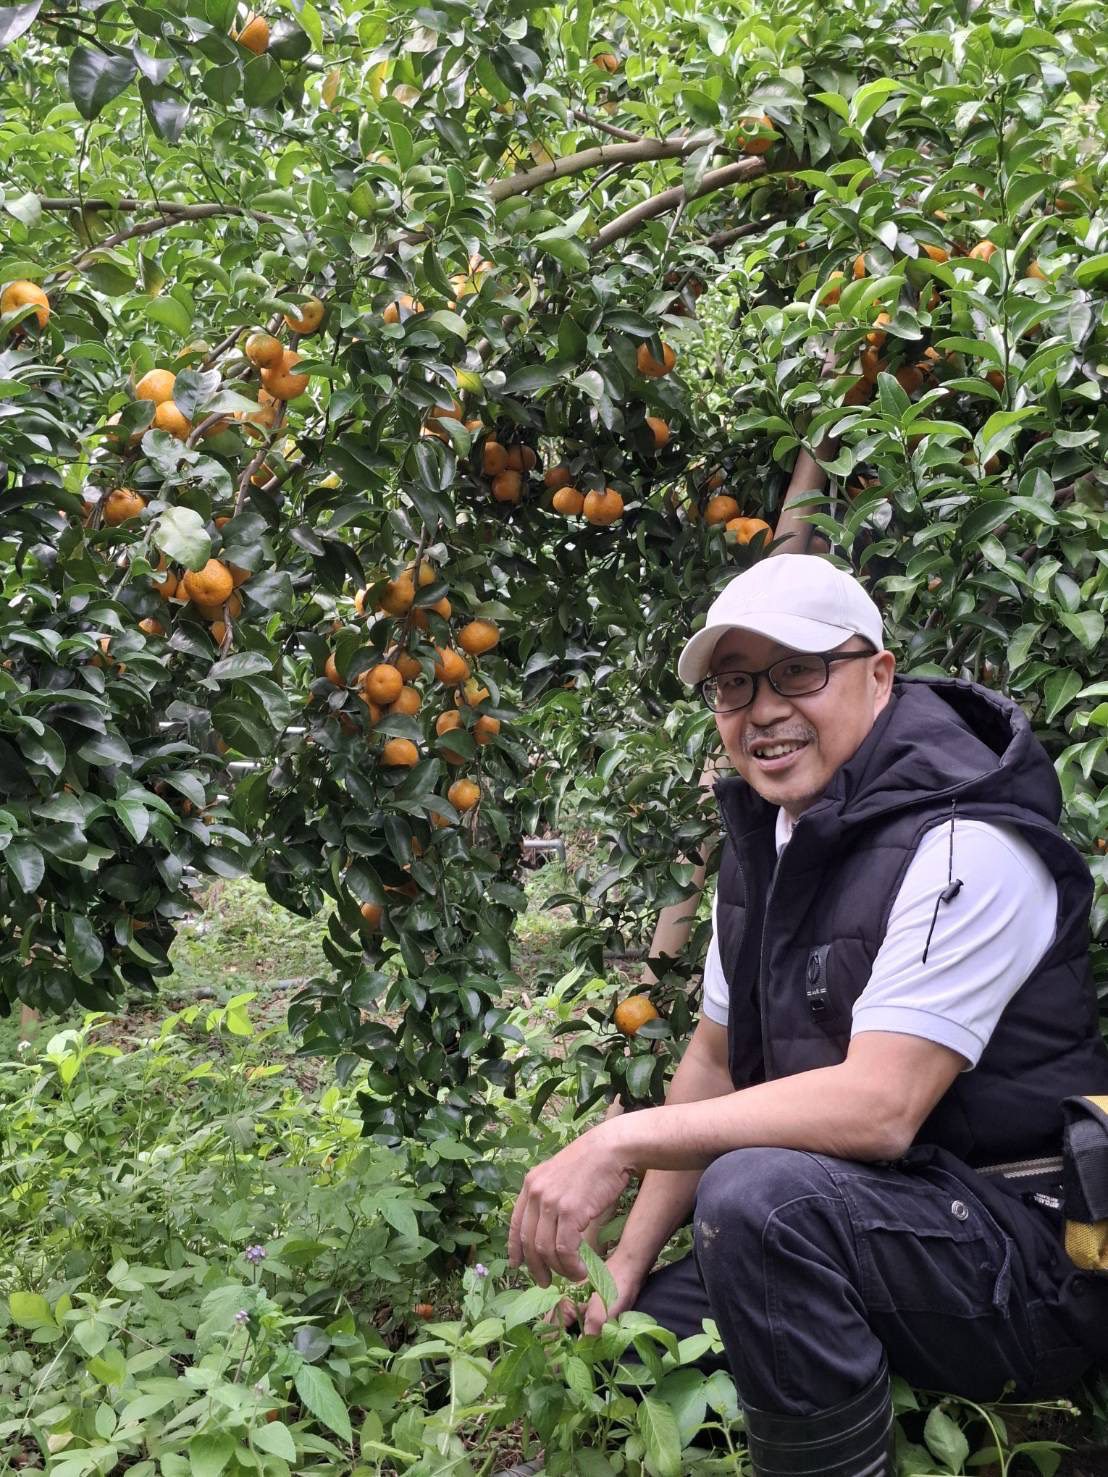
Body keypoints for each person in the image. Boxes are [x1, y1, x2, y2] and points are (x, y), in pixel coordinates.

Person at [508, 554, 1108, 1477]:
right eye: (735, 685)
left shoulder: (965, 840)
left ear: (879, 673)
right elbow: (712, 1061)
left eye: (798, 671)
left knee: (755, 1197)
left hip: (1028, 1253)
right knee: (629, 1351)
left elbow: (881, 1105)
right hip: (877, 1222)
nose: (764, 709)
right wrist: (626, 1261)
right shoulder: (771, 841)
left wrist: (617, 1142)